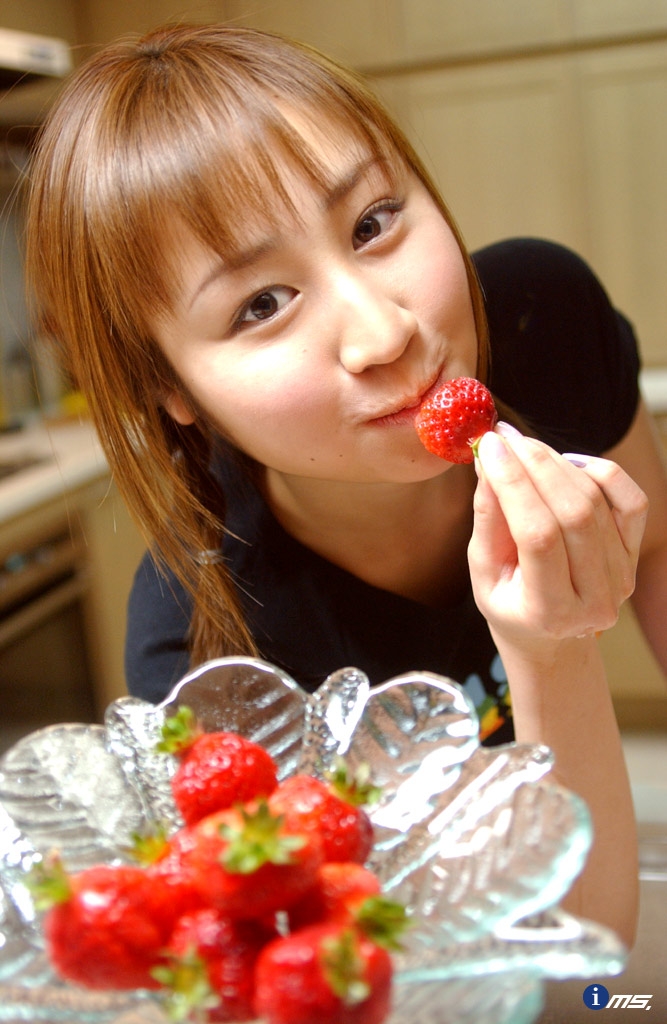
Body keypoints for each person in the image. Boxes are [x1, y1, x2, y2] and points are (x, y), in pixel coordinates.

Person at [24, 22, 667, 948]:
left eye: (372, 223)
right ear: (173, 390)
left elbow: (654, 544)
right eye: (260, 305)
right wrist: (547, 655)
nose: (384, 333)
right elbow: (579, 959)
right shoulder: (206, 648)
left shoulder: (541, 317)